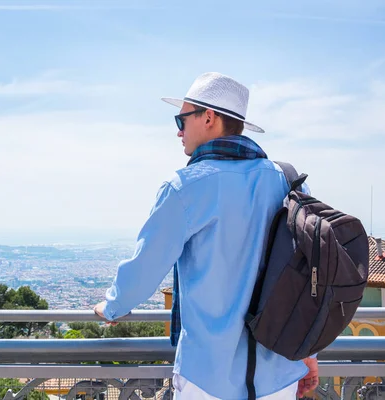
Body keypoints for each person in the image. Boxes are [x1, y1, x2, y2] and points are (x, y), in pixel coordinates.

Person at [93, 72, 319, 399]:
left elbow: (144, 269)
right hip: (280, 374)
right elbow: (306, 275)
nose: (178, 130)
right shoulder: (288, 181)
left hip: (208, 378)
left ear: (209, 118)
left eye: (182, 118)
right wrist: (307, 352)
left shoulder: (186, 187)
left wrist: (111, 307)